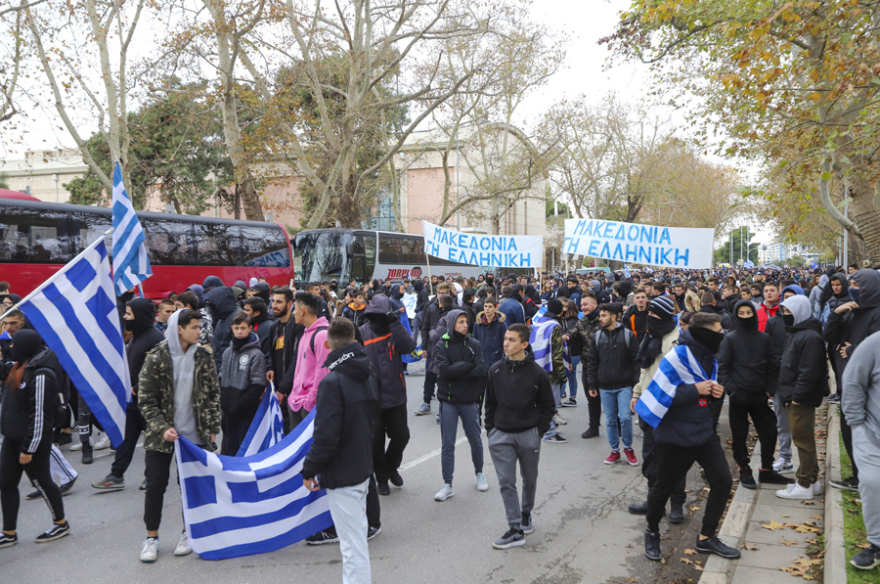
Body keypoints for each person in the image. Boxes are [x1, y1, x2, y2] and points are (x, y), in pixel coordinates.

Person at [641, 312, 740, 562]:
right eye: (719, 331)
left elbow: (704, 398)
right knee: (661, 490)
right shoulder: (676, 357)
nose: (723, 335)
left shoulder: (710, 357)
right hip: (674, 436)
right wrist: (695, 390)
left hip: (703, 432)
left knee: (723, 481)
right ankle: (652, 531)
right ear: (706, 334)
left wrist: (715, 394)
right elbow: (660, 397)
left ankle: (706, 537)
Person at [137, 309, 221, 562]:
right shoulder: (156, 356)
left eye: (199, 327)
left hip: (195, 436)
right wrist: (162, 426)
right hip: (161, 436)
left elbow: (213, 394)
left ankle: (188, 533)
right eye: (194, 327)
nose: (199, 332)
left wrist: (213, 429)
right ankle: (151, 538)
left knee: (190, 487)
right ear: (179, 329)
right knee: (155, 485)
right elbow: (146, 399)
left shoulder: (204, 356)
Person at [302, 318, 379, 584]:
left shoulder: (332, 382)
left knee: (351, 545)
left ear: (328, 343)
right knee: (356, 542)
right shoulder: (368, 372)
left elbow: (325, 436)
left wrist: (309, 468)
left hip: (343, 472)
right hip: (362, 466)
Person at [485, 324, 556, 550]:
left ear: (524, 344)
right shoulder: (495, 370)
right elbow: (490, 404)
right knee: (506, 482)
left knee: (529, 479)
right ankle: (515, 529)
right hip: (501, 436)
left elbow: (548, 405)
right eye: (505, 339)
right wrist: (491, 430)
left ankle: (526, 514)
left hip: (528, 435)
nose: (506, 343)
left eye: (512, 340)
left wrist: (538, 433)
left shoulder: (537, 373)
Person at [0, 329, 71, 548]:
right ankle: (9, 532)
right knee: (6, 483)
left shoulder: (41, 374)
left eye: (14, 344)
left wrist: (28, 449)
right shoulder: (19, 365)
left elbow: (40, 415)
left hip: (31, 442)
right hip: (12, 438)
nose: (10, 348)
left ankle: (60, 523)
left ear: (25, 346)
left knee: (42, 483)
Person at [717, 300, 792, 489]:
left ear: (754, 314)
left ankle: (767, 469)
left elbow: (772, 364)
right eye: (740, 313)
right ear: (736, 315)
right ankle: (744, 469)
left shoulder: (764, 338)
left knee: (769, 430)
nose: (744, 317)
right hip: (738, 395)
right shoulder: (730, 339)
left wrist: (769, 389)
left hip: (759, 394)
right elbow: (723, 367)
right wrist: (732, 389)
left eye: (748, 313)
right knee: (740, 435)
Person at [92, 298, 165, 491]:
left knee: (153, 443)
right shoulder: (135, 336)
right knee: (127, 439)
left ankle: (152, 477)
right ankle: (116, 475)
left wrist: (139, 387)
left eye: (129, 313)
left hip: (149, 403)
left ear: (140, 316)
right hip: (132, 402)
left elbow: (159, 371)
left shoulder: (156, 339)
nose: (125, 317)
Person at [629, 296, 685, 522]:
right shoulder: (650, 335)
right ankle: (654, 501)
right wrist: (637, 393)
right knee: (651, 456)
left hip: (673, 406)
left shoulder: (679, 337)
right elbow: (645, 368)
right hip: (650, 406)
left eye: (653, 314)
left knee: (674, 457)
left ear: (663, 315)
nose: (649, 317)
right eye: (648, 313)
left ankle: (677, 504)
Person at [358, 295, 416, 496]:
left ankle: (391, 466)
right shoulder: (362, 333)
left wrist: (395, 323)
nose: (379, 318)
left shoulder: (395, 330)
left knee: (401, 435)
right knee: (375, 442)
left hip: (396, 394)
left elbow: (409, 347)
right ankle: (381, 477)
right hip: (371, 398)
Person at [774, 294, 828, 500]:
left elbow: (809, 371)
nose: (784, 315)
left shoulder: (810, 337)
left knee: (802, 441)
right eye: (784, 311)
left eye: (788, 312)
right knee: (803, 440)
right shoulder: (795, 332)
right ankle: (812, 480)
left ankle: (804, 483)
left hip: (800, 399)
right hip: (792, 395)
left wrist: (797, 398)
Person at [433, 310, 488, 501]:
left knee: (475, 440)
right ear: (451, 324)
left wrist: (460, 369)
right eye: (461, 322)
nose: (466, 325)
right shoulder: (442, 344)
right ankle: (447, 484)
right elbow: (445, 372)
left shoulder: (474, 343)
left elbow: (481, 370)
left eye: (467, 321)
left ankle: (479, 473)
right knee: (447, 445)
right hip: (448, 401)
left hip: (469, 400)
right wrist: (467, 364)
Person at [841, 330, 880, 570]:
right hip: (871, 431)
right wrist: (856, 424)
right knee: (872, 482)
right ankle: (877, 544)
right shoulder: (873, 344)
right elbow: (853, 381)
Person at [587, 302, 640, 465]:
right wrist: (592, 384)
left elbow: (636, 362)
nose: (600, 318)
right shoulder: (597, 337)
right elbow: (592, 362)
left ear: (613, 317)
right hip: (604, 386)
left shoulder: (627, 335)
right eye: (600, 315)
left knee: (625, 418)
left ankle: (629, 448)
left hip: (624, 385)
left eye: (604, 315)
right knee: (610, 420)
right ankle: (614, 451)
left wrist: (636, 387)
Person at [219, 312, 267, 455]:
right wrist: (223, 402)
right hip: (227, 413)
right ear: (232, 328)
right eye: (236, 328)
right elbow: (221, 377)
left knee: (242, 452)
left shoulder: (256, 354)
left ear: (250, 328)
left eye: (243, 328)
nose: (239, 331)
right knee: (227, 450)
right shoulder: (227, 352)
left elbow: (257, 385)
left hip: (245, 414)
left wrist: (240, 405)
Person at [288, 292, 331, 425]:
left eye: (294, 309)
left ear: (302, 310)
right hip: (297, 403)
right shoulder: (305, 334)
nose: (293, 313)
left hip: (308, 407)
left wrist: (309, 403)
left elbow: (323, 373)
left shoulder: (322, 335)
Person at [530, 299, 568, 444]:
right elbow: (557, 354)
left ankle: (544, 428)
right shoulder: (555, 326)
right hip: (551, 370)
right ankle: (549, 432)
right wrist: (562, 374)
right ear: (559, 311)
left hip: (538, 367)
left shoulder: (539, 322)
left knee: (542, 401)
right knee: (552, 402)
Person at [566, 293, 603, 437]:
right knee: (591, 398)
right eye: (582, 305)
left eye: (586, 304)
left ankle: (618, 425)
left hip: (606, 366)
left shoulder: (604, 320)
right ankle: (594, 427)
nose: (583, 308)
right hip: (588, 366)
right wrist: (564, 337)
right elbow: (571, 337)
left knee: (611, 399)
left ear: (595, 304)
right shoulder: (581, 322)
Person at [415, 283, 454, 416]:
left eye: (444, 293)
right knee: (429, 375)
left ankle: (446, 407)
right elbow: (425, 327)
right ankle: (426, 403)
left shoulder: (454, 308)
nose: (441, 295)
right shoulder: (430, 307)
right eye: (439, 293)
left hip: (448, 348)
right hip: (432, 347)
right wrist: (424, 347)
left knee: (445, 378)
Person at [204, 286, 240, 372]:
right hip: (220, 369)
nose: (210, 307)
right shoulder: (221, 319)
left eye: (212, 303)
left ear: (220, 302)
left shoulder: (237, 318)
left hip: (231, 370)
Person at [473, 298, 508, 369]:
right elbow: (474, 341)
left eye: (490, 306)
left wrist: (503, 360)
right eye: (485, 306)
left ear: (495, 308)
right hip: (481, 361)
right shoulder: (478, 324)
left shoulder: (501, 324)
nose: (487, 309)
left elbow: (504, 343)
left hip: (496, 360)